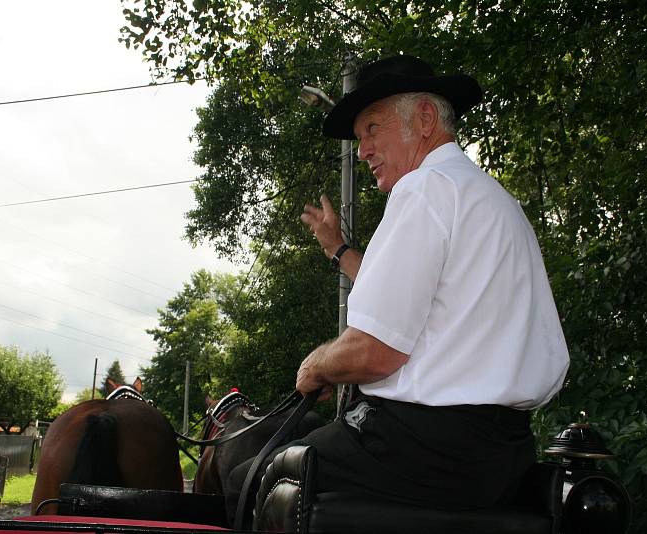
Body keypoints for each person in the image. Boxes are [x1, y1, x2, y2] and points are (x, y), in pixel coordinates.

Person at [224, 54, 569, 519]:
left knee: (248, 480)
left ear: (424, 119)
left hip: (421, 450)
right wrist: (337, 248)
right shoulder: (494, 200)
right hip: (504, 453)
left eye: (372, 128)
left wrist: (318, 366)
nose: (362, 149)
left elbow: (376, 351)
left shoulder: (423, 189)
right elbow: (407, 302)